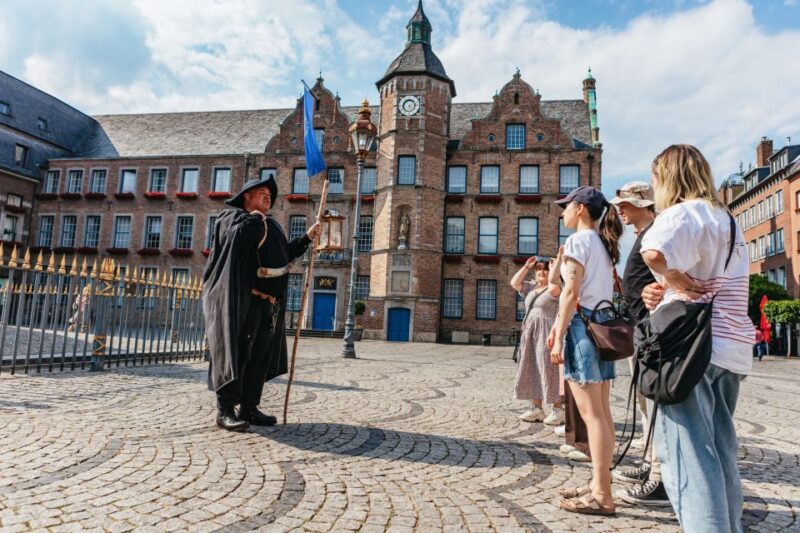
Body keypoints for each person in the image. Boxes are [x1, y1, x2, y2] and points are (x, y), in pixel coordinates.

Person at [639, 144, 753, 532]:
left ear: (667, 178)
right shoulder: (729, 221)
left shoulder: (681, 213)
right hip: (731, 346)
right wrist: (662, 288)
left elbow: (651, 252)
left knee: (689, 457)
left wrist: (670, 278)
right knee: (721, 451)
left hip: (690, 350)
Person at [203, 176, 321, 432]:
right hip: (243, 303)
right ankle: (225, 411)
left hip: (268, 306)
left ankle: (249, 408)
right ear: (247, 196)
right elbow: (237, 241)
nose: (269, 197)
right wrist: (256, 219)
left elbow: (284, 255)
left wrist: (306, 239)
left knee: (258, 358)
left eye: (270, 194)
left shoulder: (273, 226)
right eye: (262, 192)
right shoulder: (232, 219)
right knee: (238, 353)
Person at [548, 186, 624, 516]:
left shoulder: (579, 241)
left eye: (565, 206)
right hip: (602, 327)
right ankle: (598, 485)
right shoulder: (603, 245)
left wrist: (558, 330)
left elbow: (570, 293)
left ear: (580, 209)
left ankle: (603, 495)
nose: (561, 212)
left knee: (592, 416)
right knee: (602, 414)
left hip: (584, 328)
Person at [608, 182, 670, 507]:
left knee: (652, 405)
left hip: (649, 330)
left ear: (644, 204)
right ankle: (649, 464)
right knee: (644, 405)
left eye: (626, 204)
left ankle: (659, 477)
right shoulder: (645, 234)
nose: (621, 209)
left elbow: (667, 278)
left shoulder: (655, 234)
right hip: (640, 329)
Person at [549, 246, 591, 462]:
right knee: (571, 386)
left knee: (583, 390)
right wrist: (558, 258)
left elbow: (571, 297)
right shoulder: (567, 279)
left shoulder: (583, 245)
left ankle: (586, 445)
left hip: (579, 325)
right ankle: (573, 438)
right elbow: (553, 280)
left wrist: (558, 334)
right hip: (569, 325)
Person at [510, 256, 562, 424]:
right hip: (530, 332)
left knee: (549, 369)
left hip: (546, 332)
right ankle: (537, 408)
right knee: (531, 367)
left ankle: (558, 409)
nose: (542, 272)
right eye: (539, 269)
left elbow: (554, 289)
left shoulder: (556, 287)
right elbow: (514, 283)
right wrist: (526, 266)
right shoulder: (531, 287)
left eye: (545, 269)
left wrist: (555, 269)